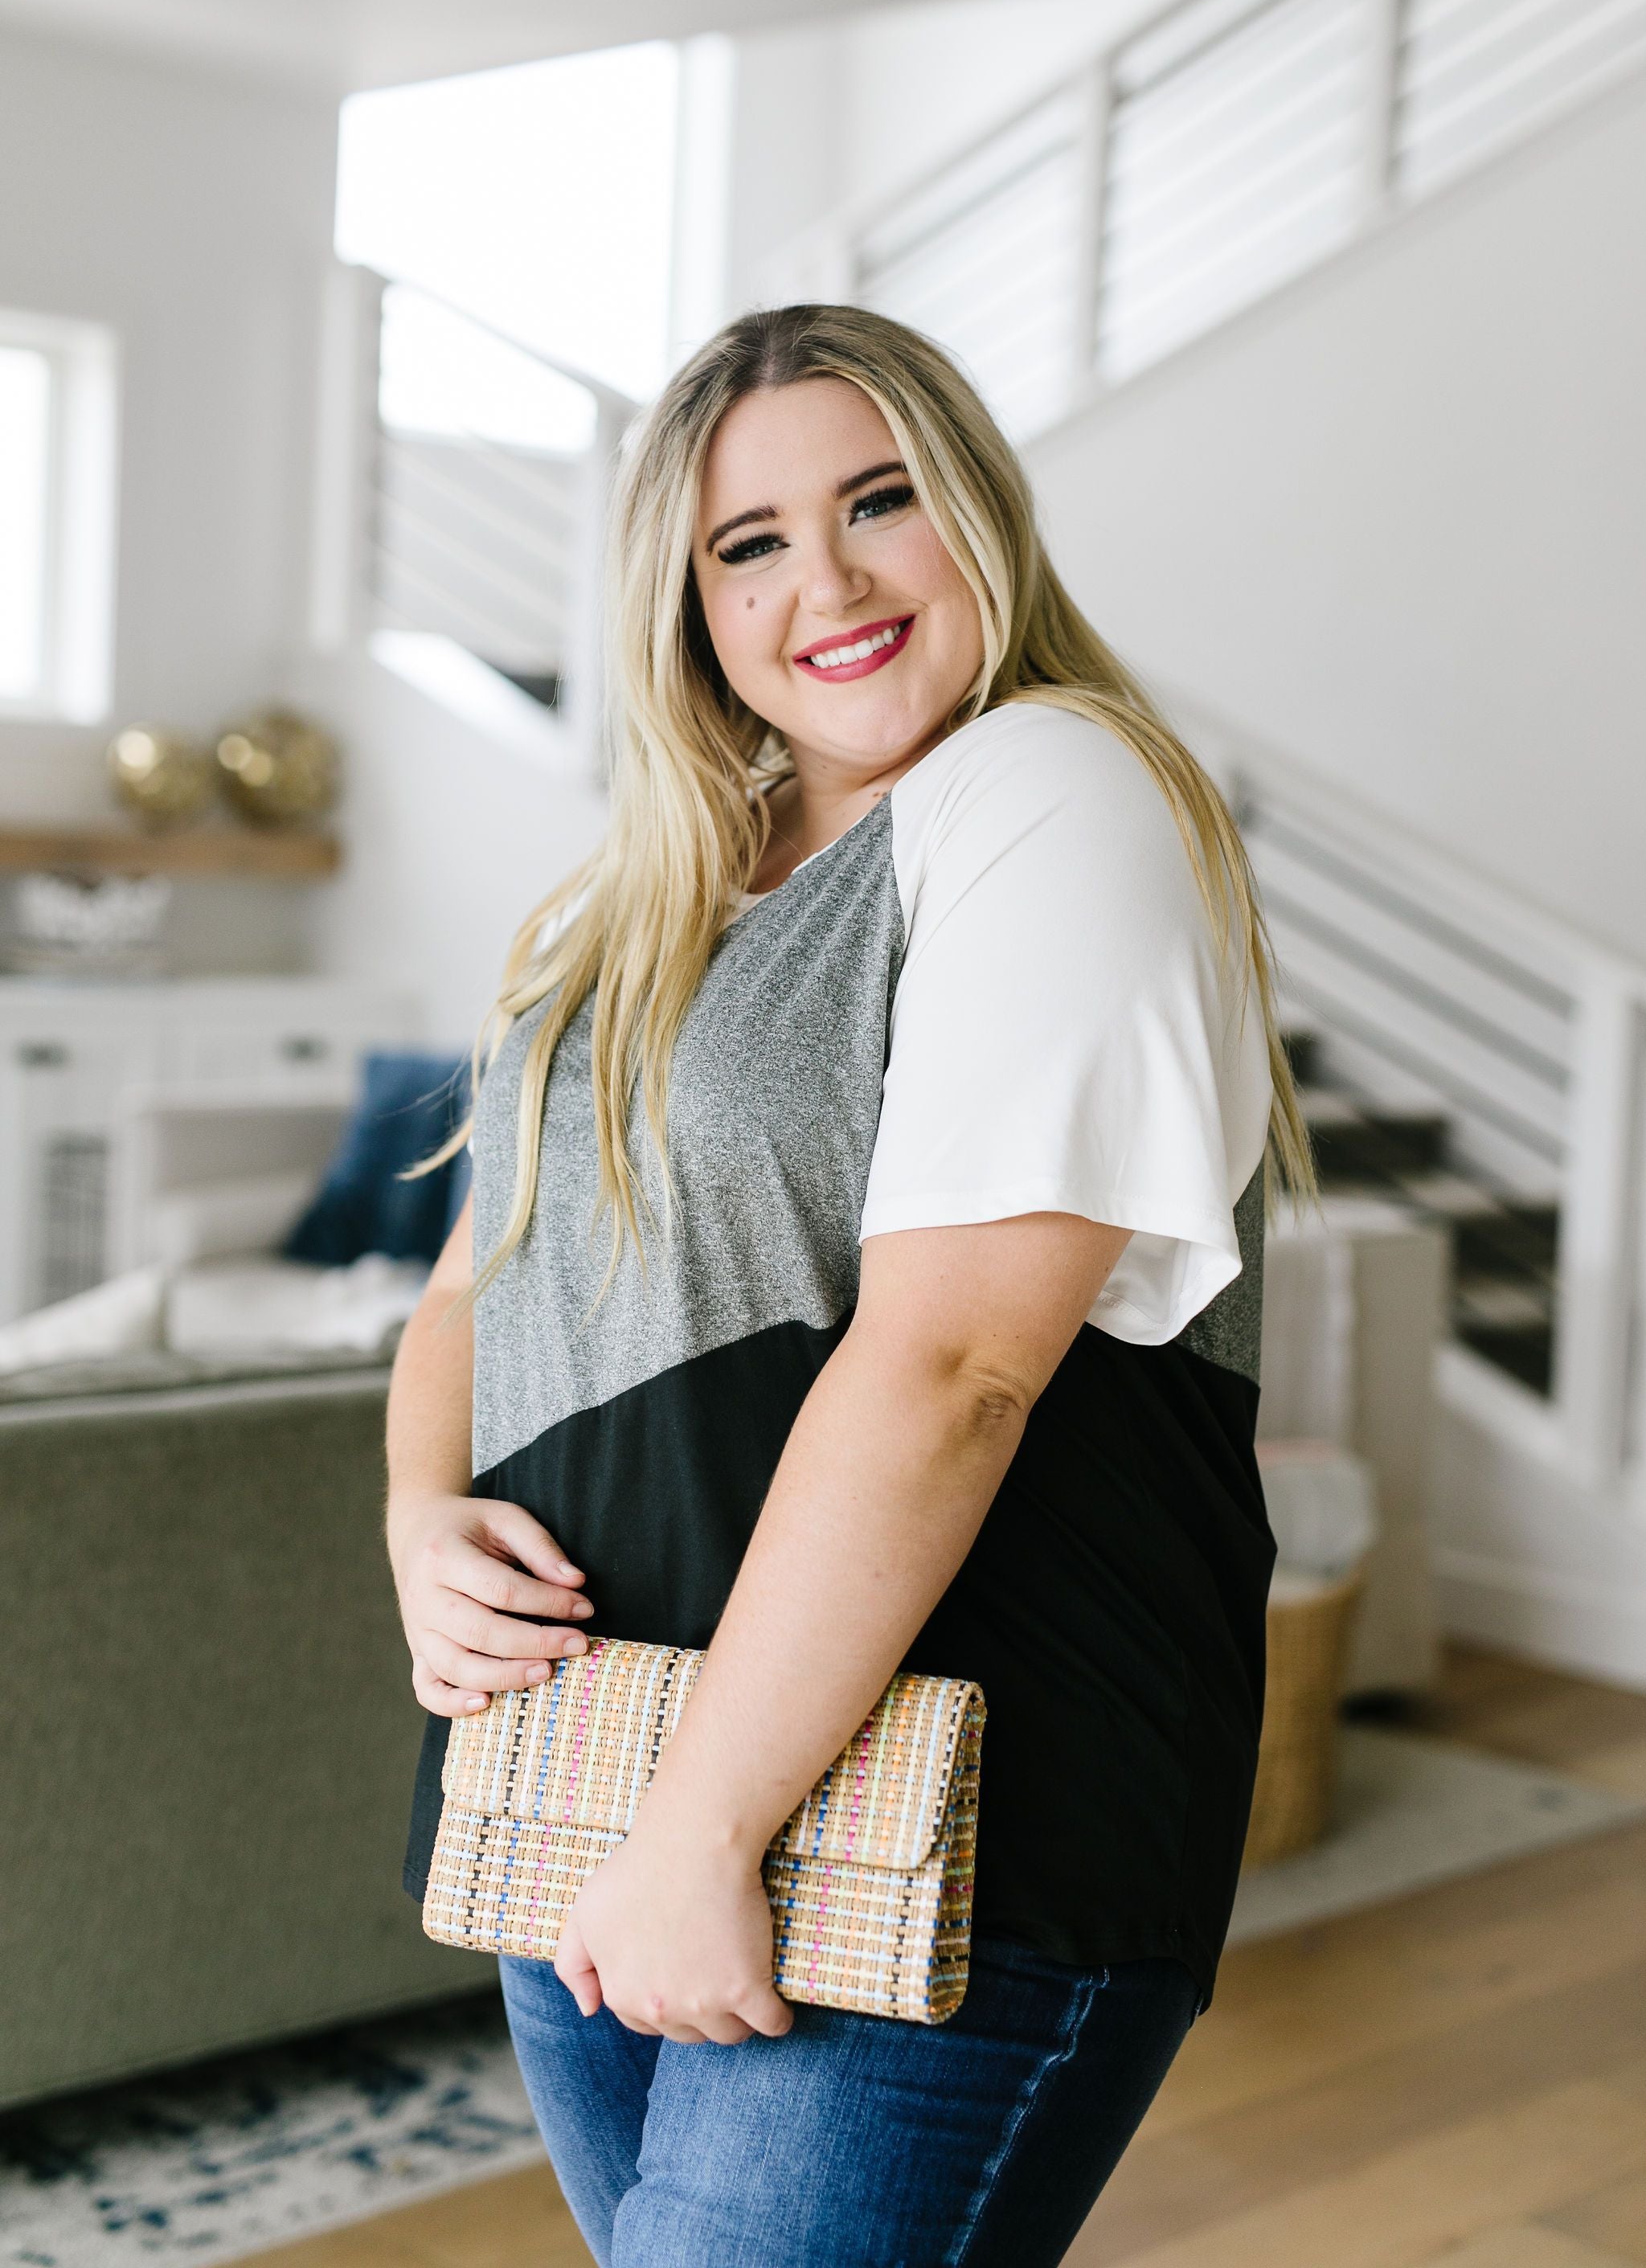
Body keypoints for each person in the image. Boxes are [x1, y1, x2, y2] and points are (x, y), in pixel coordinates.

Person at [385, 304, 1309, 2267]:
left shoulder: (1046, 787)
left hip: (927, 1816)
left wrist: (702, 1835)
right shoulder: (649, 888)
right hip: (597, 1766)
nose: (828, 582)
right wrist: (415, 1515)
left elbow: (958, 1366)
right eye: (749, 543)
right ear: (687, 602)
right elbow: (476, 1278)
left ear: (978, 511)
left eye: (879, 502)